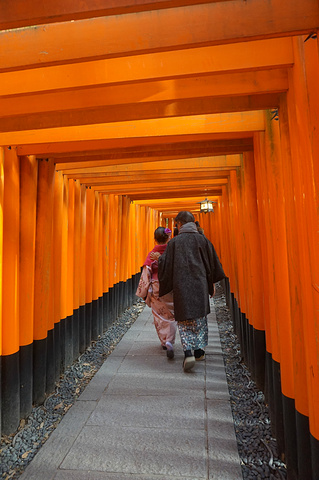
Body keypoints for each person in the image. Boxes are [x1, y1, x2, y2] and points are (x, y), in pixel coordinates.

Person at [158, 211, 225, 372]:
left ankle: (188, 352)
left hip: (181, 286)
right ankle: (199, 352)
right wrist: (211, 285)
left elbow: (165, 265)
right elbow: (212, 264)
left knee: (184, 321)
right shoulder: (203, 240)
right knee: (199, 320)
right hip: (200, 285)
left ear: (179, 224)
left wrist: (158, 260)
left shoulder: (174, 243)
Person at [136, 227, 176, 359]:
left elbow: (146, 273)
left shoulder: (152, 253)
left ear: (155, 239)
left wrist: (143, 291)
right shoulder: (172, 252)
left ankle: (165, 341)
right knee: (171, 314)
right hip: (171, 286)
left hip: (157, 285)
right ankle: (170, 340)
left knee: (159, 314)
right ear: (168, 238)